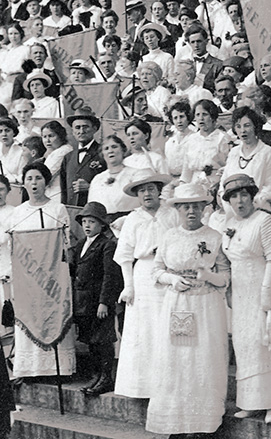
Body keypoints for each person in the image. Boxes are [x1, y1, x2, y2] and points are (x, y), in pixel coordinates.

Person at [145, 183, 230, 436]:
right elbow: (156, 270)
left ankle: (203, 425)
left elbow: (225, 275)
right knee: (177, 362)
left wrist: (209, 276)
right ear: (178, 209)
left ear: (204, 208)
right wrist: (172, 279)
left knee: (204, 360)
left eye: (196, 206)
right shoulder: (169, 236)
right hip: (177, 304)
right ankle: (176, 423)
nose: (191, 211)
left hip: (206, 306)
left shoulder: (215, 237)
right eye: (185, 206)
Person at [220, 174, 271, 423]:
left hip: (267, 288)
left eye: (244, 195)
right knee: (246, 345)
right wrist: (230, 291)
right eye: (234, 196)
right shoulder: (230, 224)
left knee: (268, 342)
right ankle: (252, 402)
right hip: (242, 293)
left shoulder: (265, 221)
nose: (239, 201)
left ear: (252, 196)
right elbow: (230, 262)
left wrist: (265, 291)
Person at [113, 170, 177, 399]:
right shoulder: (133, 219)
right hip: (143, 277)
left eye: (151, 188)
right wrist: (128, 286)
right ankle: (143, 387)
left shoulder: (172, 213)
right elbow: (125, 255)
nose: (147, 194)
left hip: (169, 273)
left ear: (159, 190)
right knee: (144, 331)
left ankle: (168, 385)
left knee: (166, 328)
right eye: (142, 190)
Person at [9, 162, 76, 378]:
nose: (34, 183)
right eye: (29, 178)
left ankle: (58, 368)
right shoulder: (18, 213)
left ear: (46, 181)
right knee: (29, 313)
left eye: (38, 178)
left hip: (53, 274)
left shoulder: (58, 208)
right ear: (24, 184)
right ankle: (30, 369)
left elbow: (65, 244)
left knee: (54, 311)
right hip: (27, 276)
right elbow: (14, 247)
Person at [70, 201, 122, 396]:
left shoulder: (107, 245)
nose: (87, 226)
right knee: (90, 340)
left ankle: (106, 378)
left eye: (92, 221)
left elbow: (110, 276)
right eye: (84, 221)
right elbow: (75, 269)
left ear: (102, 225)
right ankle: (96, 375)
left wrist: (104, 302)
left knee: (103, 340)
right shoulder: (81, 244)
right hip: (83, 303)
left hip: (98, 302)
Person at [222, 107, 271, 212]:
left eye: (247, 125)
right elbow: (224, 182)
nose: (243, 130)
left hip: (258, 208)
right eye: (238, 126)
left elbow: (270, 186)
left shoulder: (267, 152)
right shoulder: (234, 152)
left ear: (255, 127)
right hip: (231, 208)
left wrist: (249, 204)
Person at [180, 99, 231, 192]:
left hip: (216, 184)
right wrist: (183, 187)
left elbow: (228, 166)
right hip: (194, 184)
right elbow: (186, 171)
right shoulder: (191, 139)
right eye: (197, 115)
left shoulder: (222, 138)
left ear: (212, 117)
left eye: (205, 114)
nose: (201, 118)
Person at [88, 135, 140, 221]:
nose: (110, 151)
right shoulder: (97, 179)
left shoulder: (135, 174)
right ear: (102, 154)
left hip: (128, 221)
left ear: (123, 151)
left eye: (114, 147)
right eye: (106, 148)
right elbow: (91, 207)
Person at [64, 112, 106, 207]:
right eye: (77, 127)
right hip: (72, 211)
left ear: (94, 129)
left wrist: (91, 187)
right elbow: (64, 190)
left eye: (85, 127)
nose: (81, 131)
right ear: (72, 131)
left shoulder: (103, 152)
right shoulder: (68, 157)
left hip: (95, 210)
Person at [164, 100, 196, 179]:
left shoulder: (195, 138)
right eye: (175, 118)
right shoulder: (170, 140)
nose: (179, 121)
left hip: (190, 178)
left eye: (182, 116)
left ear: (188, 117)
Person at [40, 121, 71, 204]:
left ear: (60, 136)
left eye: (51, 136)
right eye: (44, 137)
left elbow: (45, 175)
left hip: (57, 194)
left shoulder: (63, 151)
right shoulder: (53, 152)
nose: (47, 140)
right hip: (50, 193)